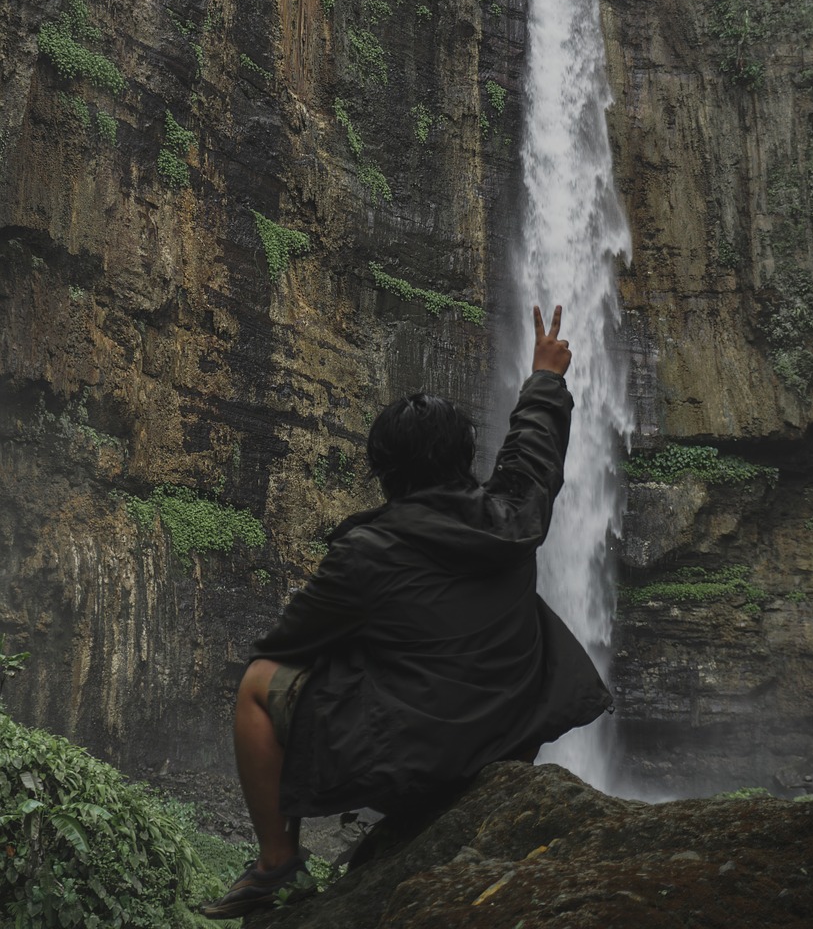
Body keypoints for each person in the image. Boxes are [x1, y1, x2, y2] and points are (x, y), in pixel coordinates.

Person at [201, 305, 612, 919]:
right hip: (513, 734)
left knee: (259, 683)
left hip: (421, 755)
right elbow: (534, 453)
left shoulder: (365, 553)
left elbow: (286, 642)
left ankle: (275, 863)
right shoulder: (514, 515)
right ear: (466, 459)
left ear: (383, 471)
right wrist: (545, 378)